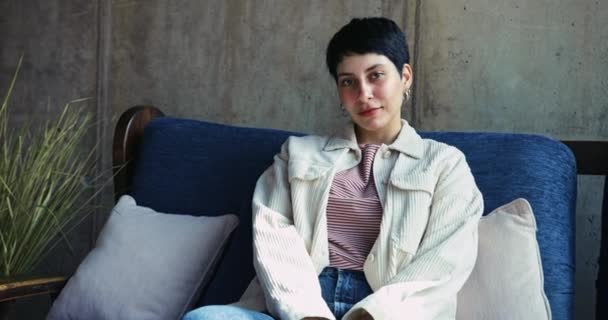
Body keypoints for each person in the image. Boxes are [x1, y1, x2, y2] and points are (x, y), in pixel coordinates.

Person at [183, 17, 483, 320]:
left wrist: (373, 314)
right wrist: (309, 314)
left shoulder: (444, 163)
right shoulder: (296, 154)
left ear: (405, 76)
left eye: (376, 75)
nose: (363, 93)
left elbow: (445, 258)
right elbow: (274, 239)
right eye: (348, 82)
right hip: (299, 307)